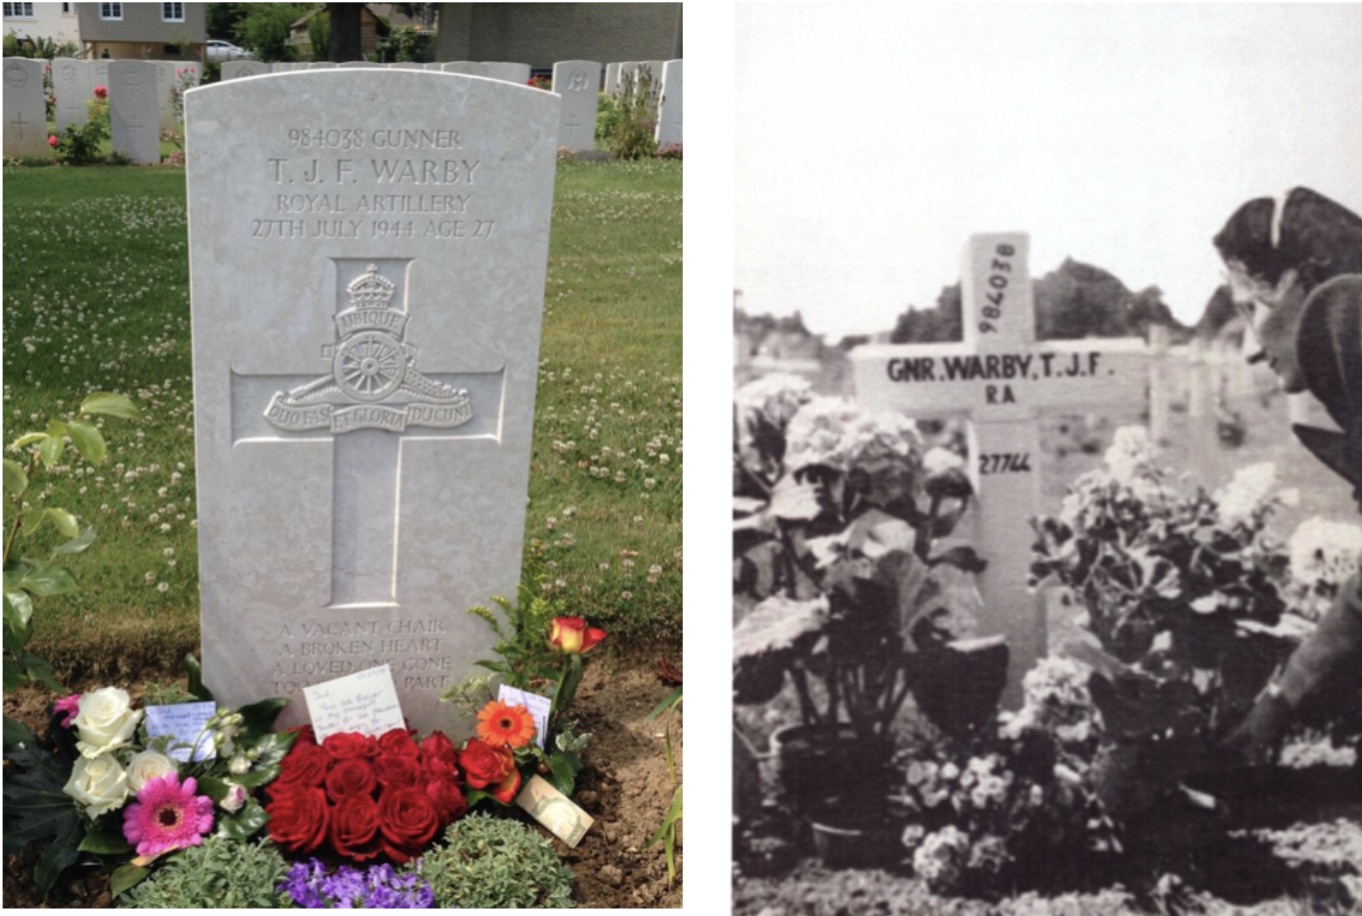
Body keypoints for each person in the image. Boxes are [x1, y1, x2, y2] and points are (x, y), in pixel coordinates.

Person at [1212, 187, 1362, 759]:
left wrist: (1282, 698)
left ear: (1304, 281)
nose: (1253, 347)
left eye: (1254, 307)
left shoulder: (1349, 315)